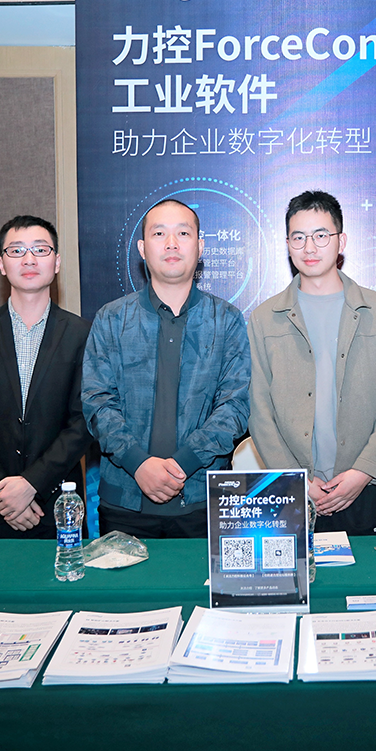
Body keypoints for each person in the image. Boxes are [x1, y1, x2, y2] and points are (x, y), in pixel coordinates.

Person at [82, 199, 250, 538]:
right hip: (125, 503)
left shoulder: (227, 321)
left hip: (204, 501)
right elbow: (97, 402)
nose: (171, 243)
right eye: (159, 234)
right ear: (142, 249)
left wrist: (184, 463)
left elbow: (235, 406)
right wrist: (139, 463)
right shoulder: (111, 319)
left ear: (200, 246)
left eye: (183, 233)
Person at [248, 190, 376, 536]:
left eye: (321, 235)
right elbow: (259, 411)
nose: (309, 247)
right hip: (291, 488)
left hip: (361, 486)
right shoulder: (264, 318)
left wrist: (363, 472)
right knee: (294, 572)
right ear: (287, 245)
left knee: (366, 572)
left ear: (341, 241)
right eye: (298, 237)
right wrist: (296, 479)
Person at [0, 215, 92, 538]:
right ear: (2, 264)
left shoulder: (83, 334)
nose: (29, 259)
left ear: (57, 262)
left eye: (40, 250)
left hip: (58, 507)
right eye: (16, 251)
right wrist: (4, 493)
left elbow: (83, 422)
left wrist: (31, 485)